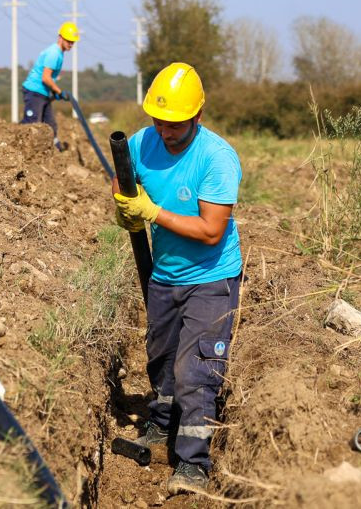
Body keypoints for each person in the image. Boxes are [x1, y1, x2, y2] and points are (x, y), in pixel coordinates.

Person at [112, 61, 242, 495]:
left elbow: (210, 232)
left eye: (176, 125)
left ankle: (194, 464)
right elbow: (121, 176)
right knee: (162, 356)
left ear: (197, 117)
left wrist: (152, 213)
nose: (166, 133)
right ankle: (161, 427)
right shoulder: (140, 142)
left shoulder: (217, 157)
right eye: (159, 122)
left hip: (211, 278)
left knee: (195, 369)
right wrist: (124, 200)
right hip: (164, 275)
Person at [20, 22, 79, 147]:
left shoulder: (59, 54)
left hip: (43, 93)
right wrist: (59, 92)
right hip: (34, 91)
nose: (71, 44)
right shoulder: (54, 53)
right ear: (60, 37)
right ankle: (14, 148)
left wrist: (54, 93)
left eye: (72, 42)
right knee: (31, 124)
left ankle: (55, 151)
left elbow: (49, 78)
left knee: (50, 125)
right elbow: (46, 78)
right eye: (68, 41)